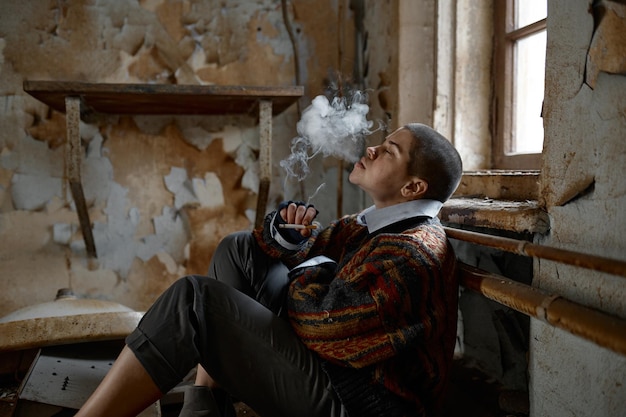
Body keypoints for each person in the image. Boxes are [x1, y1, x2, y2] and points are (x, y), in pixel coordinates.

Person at [74, 123, 463, 417]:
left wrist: (306, 263)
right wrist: (289, 238)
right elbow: (310, 248)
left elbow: (322, 324)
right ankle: (204, 408)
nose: (372, 148)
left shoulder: (411, 252)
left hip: (358, 402)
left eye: (390, 151)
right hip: (333, 365)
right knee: (239, 248)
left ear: (413, 188)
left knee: (193, 301)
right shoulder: (373, 223)